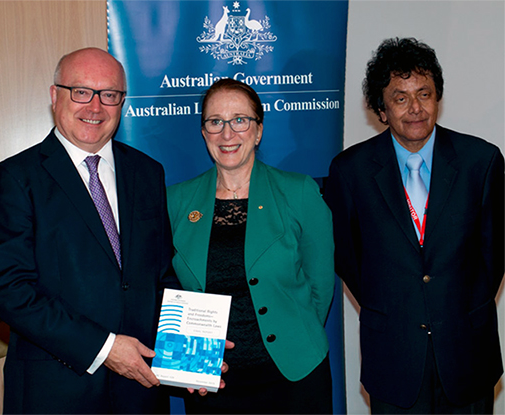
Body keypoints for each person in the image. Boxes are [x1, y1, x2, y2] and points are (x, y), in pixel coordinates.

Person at [0, 47, 176, 414]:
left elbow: (161, 275)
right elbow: (8, 290)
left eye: (110, 95)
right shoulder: (15, 178)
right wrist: (105, 348)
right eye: (82, 91)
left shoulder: (148, 173)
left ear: (123, 102)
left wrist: (191, 354)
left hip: (141, 391)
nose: (95, 106)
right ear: (56, 96)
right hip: (55, 393)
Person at [325, 37, 504, 414]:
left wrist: (455, 305)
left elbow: (494, 254)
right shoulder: (350, 172)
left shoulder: (481, 162)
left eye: (424, 93)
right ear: (381, 108)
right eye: (400, 97)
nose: (416, 108)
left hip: (467, 352)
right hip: (394, 357)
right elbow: (349, 259)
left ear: (438, 98)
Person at [167, 78, 335, 414]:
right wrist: (189, 359)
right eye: (215, 122)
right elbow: (170, 289)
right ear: (203, 133)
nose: (227, 134)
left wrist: (293, 334)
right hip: (211, 381)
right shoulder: (175, 201)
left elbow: (320, 288)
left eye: (240, 120)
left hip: (294, 374)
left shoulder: (299, 192)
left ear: (258, 131)